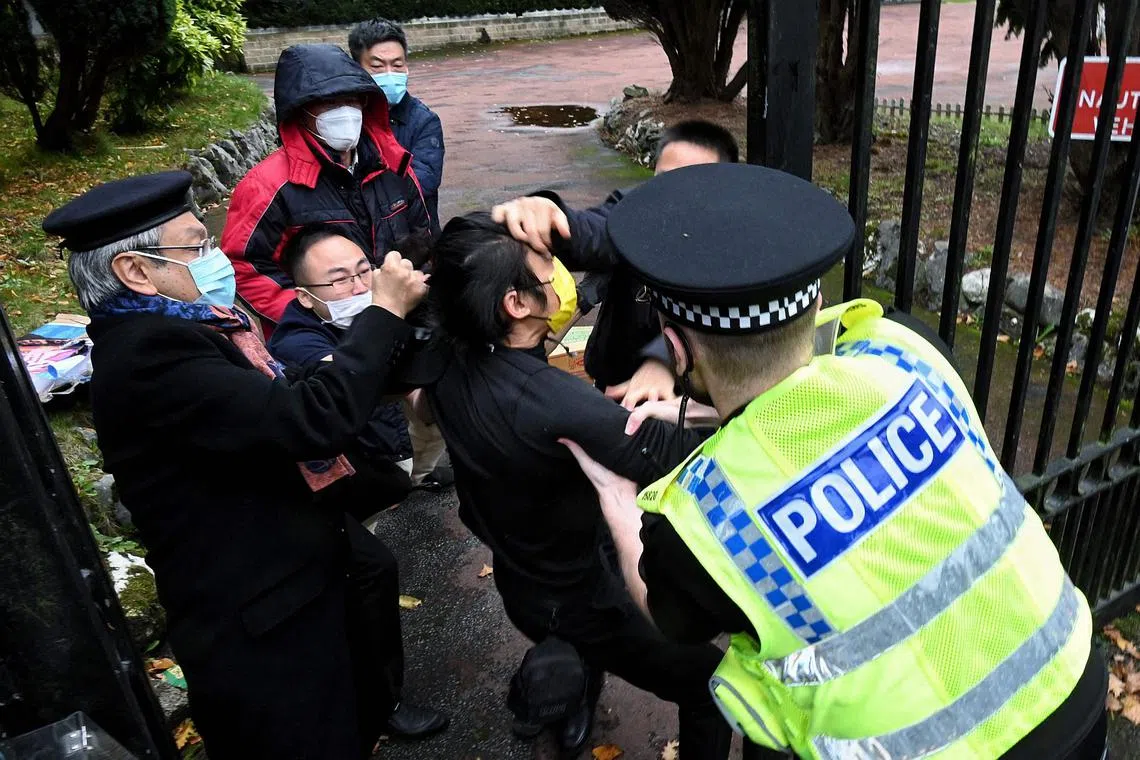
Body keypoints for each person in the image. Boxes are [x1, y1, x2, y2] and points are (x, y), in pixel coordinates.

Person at [563, 163, 1109, 759]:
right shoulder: (905, 348)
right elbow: (815, 397)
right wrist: (704, 415)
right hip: (1071, 684)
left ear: (672, 346)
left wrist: (616, 497)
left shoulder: (704, 520)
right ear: (819, 299)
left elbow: (668, 615)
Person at [44, 170, 445, 758]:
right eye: (195, 246)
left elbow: (278, 394)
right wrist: (381, 311)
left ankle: (378, 706)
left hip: (297, 574)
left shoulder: (195, 327)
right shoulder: (150, 356)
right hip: (258, 623)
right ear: (135, 271)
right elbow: (308, 421)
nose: (215, 258)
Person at [419, 212, 733, 758]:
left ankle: (571, 692)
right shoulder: (555, 404)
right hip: (585, 592)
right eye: (545, 263)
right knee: (710, 685)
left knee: (568, 648)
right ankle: (569, 688)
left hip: (522, 570)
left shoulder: (448, 355)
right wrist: (710, 407)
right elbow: (675, 457)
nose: (559, 271)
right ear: (515, 304)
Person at [492, 119, 739, 408]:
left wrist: (663, 359)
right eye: (662, 182)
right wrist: (548, 216)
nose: (670, 197)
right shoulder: (636, 213)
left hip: (686, 398)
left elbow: (729, 319)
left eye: (689, 185)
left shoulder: (735, 245)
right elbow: (596, 231)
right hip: (611, 382)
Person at [221, 43, 431, 333]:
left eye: (352, 100)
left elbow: (423, 239)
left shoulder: (392, 164)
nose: (345, 111)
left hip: (401, 319)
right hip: (326, 338)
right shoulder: (268, 185)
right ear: (301, 110)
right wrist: (311, 318)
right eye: (329, 103)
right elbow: (244, 268)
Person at [349, 18, 444, 228]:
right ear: (356, 69)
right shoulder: (347, 119)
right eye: (377, 66)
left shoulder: (423, 121)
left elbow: (423, 182)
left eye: (397, 65)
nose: (389, 73)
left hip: (415, 236)